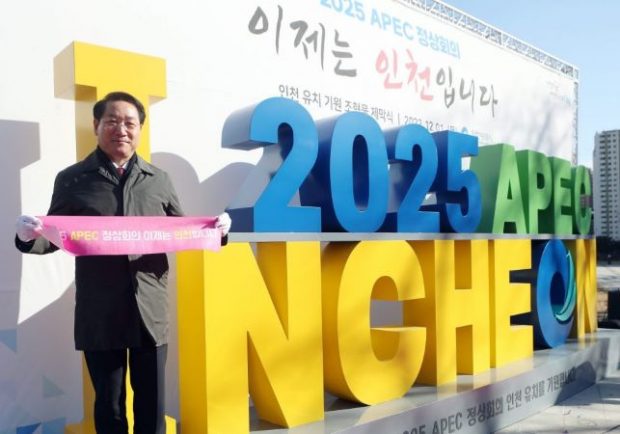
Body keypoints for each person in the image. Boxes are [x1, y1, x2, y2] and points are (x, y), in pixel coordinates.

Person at [14, 91, 231, 434]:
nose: (121, 129)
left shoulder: (158, 179)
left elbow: (181, 229)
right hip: (100, 312)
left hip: (150, 310)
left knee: (152, 405)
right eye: (112, 121)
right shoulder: (72, 179)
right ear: (96, 125)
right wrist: (28, 237)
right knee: (110, 406)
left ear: (140, 128)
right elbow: (53, 236)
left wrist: (216, 231)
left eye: (130, 122)